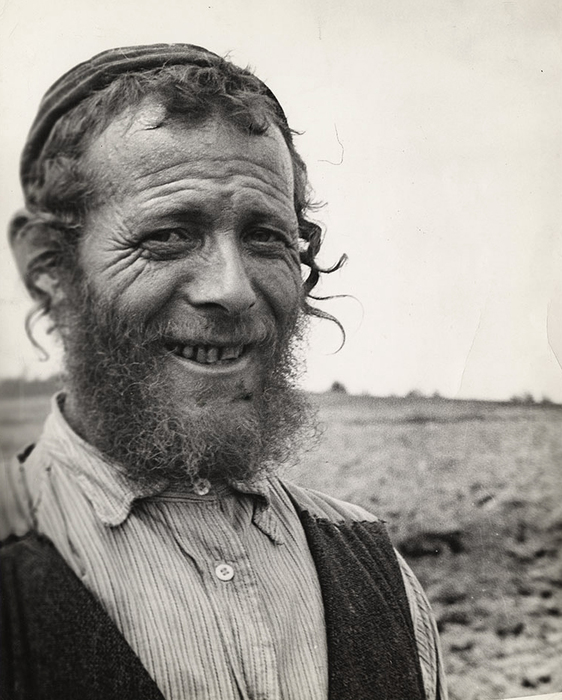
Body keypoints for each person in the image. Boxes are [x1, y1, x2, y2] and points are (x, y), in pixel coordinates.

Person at [0, 44, 447, 700]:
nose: (233, 290)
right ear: (47, 264)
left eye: (266, 237)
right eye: (167, 236)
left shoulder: (378, 574)